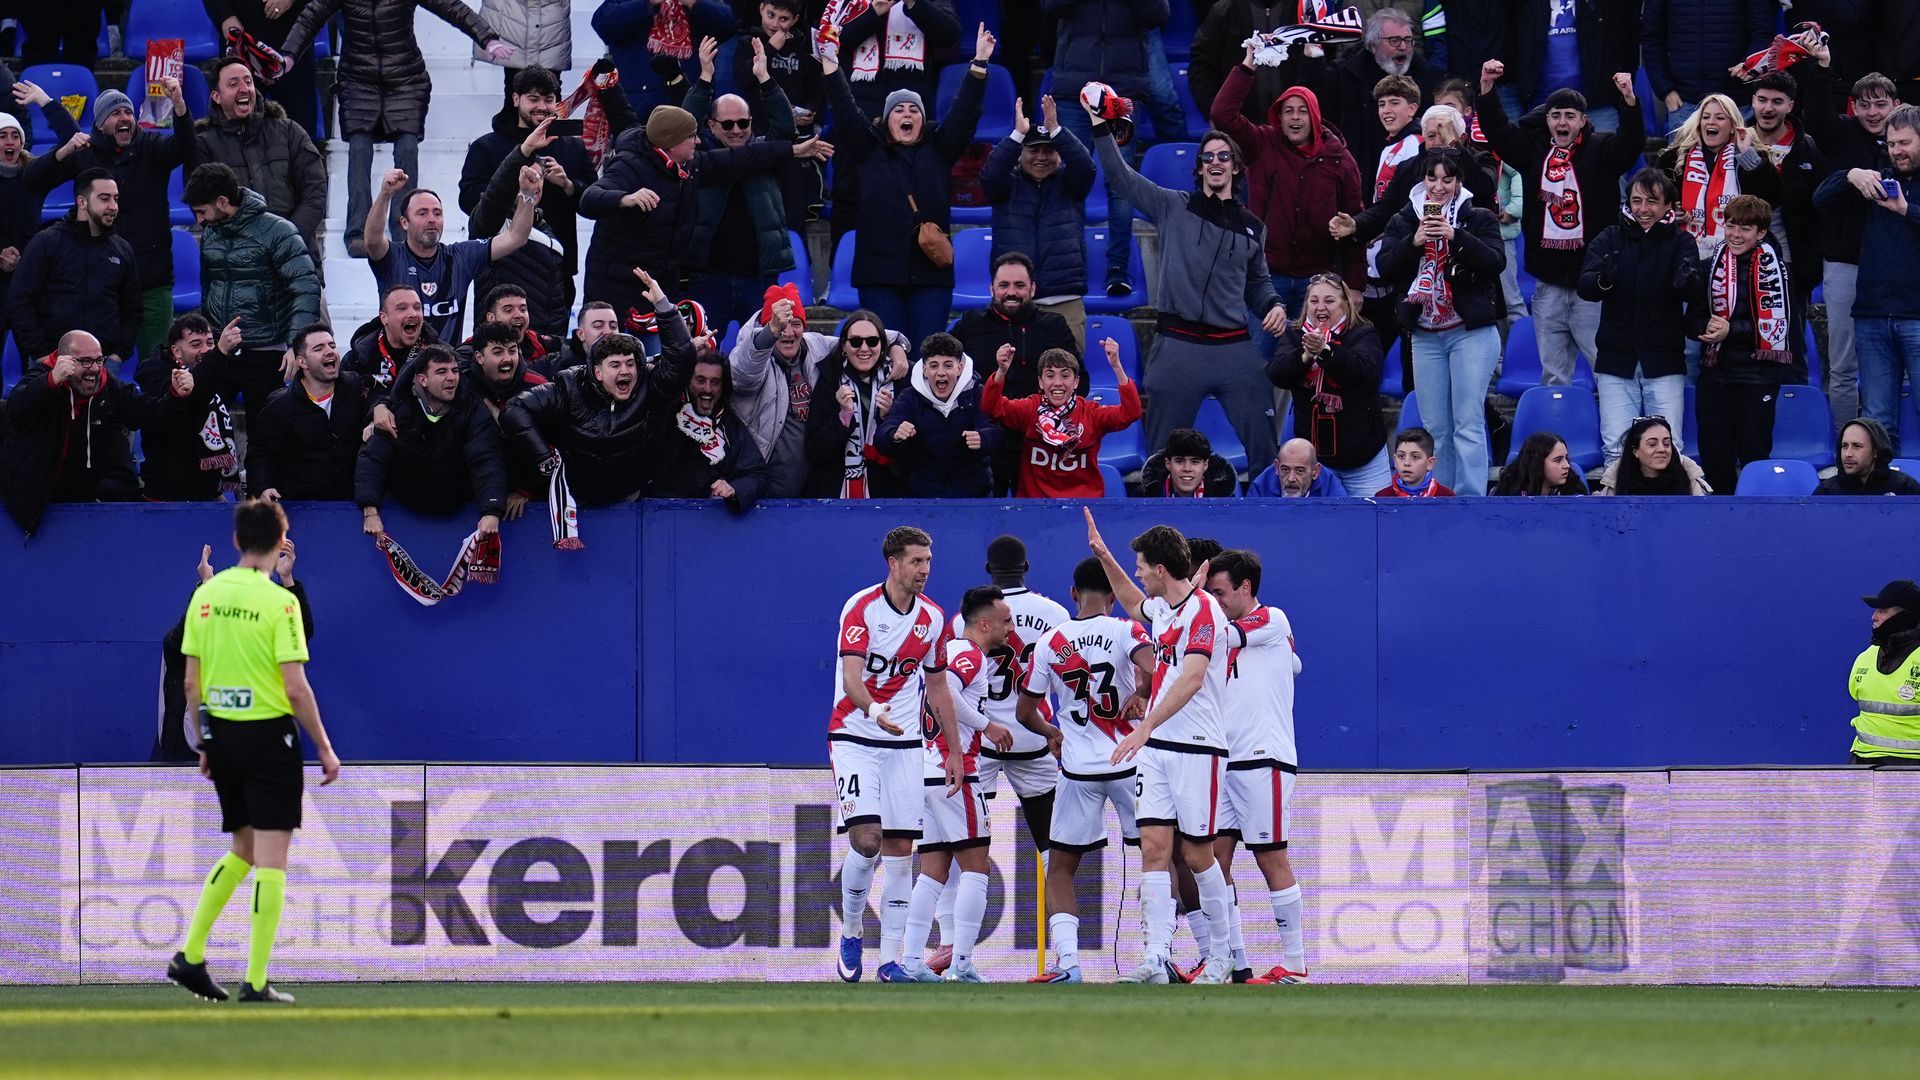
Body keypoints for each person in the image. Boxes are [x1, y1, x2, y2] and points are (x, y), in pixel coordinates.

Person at [165, 498, 340, 1005]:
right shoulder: (278, 602)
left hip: (221, 734)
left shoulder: (207, 595)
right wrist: (325, 748)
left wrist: (205, 743)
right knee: (271, 860)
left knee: (243, 847)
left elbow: (192, 682)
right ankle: (256, 981)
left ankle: (191, 956)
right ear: (279, 540)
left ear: (238, 541)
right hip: (267, 737)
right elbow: (296, 688)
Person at [1081, 512, 1238, 985]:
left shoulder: (1204, 611)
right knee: (1153, 847)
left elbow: (1191, 678)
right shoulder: (1164, 609)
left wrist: (1144, 727)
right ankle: (1154, 957)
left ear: (1162, 570)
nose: (1140, 573)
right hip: (1157, 748)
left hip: (1195, 746)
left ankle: (1221, 954)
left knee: (1196, 853)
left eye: (1142, 565)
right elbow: (1132, 602)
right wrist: (1104, 556)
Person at [1092, 116, 1288, 472]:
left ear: (1237, 167)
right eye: (1208, 157)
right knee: (1159, 457)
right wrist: (1100, 128)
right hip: (1178, 347)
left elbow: (1257, 283)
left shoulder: (1252, 226)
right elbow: (1121, 177)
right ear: (1199, 168)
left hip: (1234, 348)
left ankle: (1268, 516)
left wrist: (1273, 303)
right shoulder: (1172, 205)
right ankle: (1155, 525)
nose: (1215, 162)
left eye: (1224, 156)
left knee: (1264, 450)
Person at [830, 525, 963, 982]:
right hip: (855, 735)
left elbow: (940, 686)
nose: (924, 569)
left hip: (906, 744)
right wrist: (874, 709)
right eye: (916, 561)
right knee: (866, 841)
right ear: (893, 563)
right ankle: (850, 930)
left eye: (928, 561)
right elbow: (851, 678)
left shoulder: (934, 618)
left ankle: (889, 961)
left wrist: (955, 751)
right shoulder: (861, 608)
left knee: (901, 850)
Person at [280, 0, 515, 259]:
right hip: (358, 77)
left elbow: (453, 9)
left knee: (407, 145)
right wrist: (289, 54)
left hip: (405, 77)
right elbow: (310, 17)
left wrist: (488, 39)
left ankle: (403, 229)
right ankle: (358, 232)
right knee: (359, 146)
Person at [1021, 556, 1154, 984]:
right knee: (1158, 857)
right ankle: (1159, 955)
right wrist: (1144, 692)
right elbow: (1161, 666)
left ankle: (1070, 964)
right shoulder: (1126, 630)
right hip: (1129, 761)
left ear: (1073, 594)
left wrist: (1051, 733)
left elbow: (1026, 711)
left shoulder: (1050, 643)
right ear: (1114, 596)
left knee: (1060, 867)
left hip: (1078, 769)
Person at [822, 22, 992, 354]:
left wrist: (979, 65)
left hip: (931, 278)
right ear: (886, 120)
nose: (907, 113)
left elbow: (964, 113)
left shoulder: (940, 149)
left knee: (927, 356)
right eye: (898, 109)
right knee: (885, 358)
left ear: (923, 120)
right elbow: (845, 108)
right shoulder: (868, 148)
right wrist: (830, 67)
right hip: (879, 277)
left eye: (914, 110)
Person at [1476, 61, 1644, 388]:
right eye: (1556, 115)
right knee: (1553, 376)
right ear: (1547, 120)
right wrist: (1486, 87)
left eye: (1570, 115)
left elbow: (1631, 143)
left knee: (1608, 373)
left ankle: (1624, 435)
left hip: (1592, 285)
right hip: (1549, 284)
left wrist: (1629, 101)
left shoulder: (1602, 149)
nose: (1562, 122)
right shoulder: (1532, 152)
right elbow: (1498, 132)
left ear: (1583, 121)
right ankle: (1559, 435)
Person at [882, 584, 1013, 984]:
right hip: (955, 771)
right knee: (976, 869)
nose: (1010, 629)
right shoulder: (968, 654)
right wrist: (986, 724)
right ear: (984, 623)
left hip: (925, 771)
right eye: (1005, 621)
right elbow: (948, 697)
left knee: (933, 871)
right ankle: (962, 962)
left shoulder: (947, 652)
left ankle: (912, 961)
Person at [578, 102, 798, 331]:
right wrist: (625, 199)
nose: (698, 141)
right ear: (672, 142)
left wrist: (791, 150)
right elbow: (589, 198)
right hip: (617, 289)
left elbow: (737, 159)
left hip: (658, 286)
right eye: (691, 136)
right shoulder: (628, 166)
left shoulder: (689, 166)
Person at [32, 78, 197, 362]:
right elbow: (35, 177)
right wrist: (54, 125)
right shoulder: (85, 155)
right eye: (115, 113)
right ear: (99, 125)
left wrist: (179, 105)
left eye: (129, 112)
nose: (125, 118)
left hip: (152, 281)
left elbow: (185, 146)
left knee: (156, 368)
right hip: (101, 287)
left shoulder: (152, 148)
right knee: (96, 371)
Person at [1202, 549, 1309, 985]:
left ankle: (1296, 963)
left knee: (1271, 858)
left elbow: (1218, 637)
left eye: (1220, 592)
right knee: (1213, 861)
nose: (1215, 599)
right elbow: (1293, 665)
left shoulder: (1273, 620)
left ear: (1246, 588)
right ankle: (1234, 960)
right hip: (1224, 759)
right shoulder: (1260, 640)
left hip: (1264, 758)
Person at [501, 270, 693, 506]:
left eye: (630, 364)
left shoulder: (648, 380)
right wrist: (544, 458)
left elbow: (682, 359)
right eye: (615, 365)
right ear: (597, 372)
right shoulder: (569, 383)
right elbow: (514, 410)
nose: (625, 371)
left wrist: (664, 307)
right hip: (574, 501)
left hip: (631, 499)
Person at [1379, 149, 1506, 496]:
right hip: (1425, 334)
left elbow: (1496, 262)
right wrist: (1414, 242)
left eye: (1446, 179)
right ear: (1422, 179)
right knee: (1436, 428)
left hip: (1470, 332)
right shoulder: (1404, 219)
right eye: (1431, 178)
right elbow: (1385, 265)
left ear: (1459, 181)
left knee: (1467, 422)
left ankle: (1470, 500)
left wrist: (1456, 236)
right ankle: (1442, 499)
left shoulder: (1477, 216)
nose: (1438, 187)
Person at [683, 36, 820, 333]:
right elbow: (685, 126)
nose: (736, 130)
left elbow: (785, 128)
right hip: (708, 277)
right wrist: (705, 78)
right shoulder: (701, 155)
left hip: (758, 278)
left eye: (743, 123)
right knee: (703, 355)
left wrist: (765, 79)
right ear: (711, 126)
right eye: (728, 124)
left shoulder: (765, 152)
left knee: (760, 356)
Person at [1210, 66, 1366, 318]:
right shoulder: (1261, 143)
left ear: (1314, 116)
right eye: (1288, 111)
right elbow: (1222, 114)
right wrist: (1246, 69)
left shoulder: (1340, 160)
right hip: (1266, 277)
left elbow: (1355, 225)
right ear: (1279, 118)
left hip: (1318, 284)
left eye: (1303, 111)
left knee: (1311, 356)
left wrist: (1357, 284)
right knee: (1262, 357)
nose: (1295, 117)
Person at [1044, 0, 1173, 297]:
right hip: (1073, 92)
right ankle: (1067, 267)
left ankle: (1118, 269)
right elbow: (1051, 6)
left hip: (1121, 92)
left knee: (1120, 183)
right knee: (1067, 179)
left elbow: (1158, 14)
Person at [1, 330, 188, 535]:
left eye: (99, 360)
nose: (95, 369)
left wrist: (174, 397)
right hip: (35, 499)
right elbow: (15, 409)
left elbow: (143, 412)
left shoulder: (107, 384)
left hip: (83, 499)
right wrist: (51, 381)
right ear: (65, 361)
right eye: (86, 362)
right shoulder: (41, 376)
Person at [458, 68, 601, 335]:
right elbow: (467, 198)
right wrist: (516, 192)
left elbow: (593, 202)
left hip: (555, 269)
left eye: (548, 99)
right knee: (496, 348)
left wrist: (567, 184)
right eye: (533, 99)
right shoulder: (486, 147)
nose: (542, 107)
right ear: (516, 99)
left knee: (551, 352)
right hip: (500, 268)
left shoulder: (571, 147)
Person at [1578, 168, 1706, 465]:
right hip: (1615, 359)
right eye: (1637, 201)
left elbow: (1694, 290)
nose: (1643, 209)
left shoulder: (1681, 241)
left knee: (1668, 446)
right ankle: (1616, 510)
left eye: (1652, 201)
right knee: (1615, 448)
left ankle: (1670, 509)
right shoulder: (1610, 237)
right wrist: (1603, 279)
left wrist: (1686, 282)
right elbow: (1586, 286)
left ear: (1668, 206)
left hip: (1662, 359)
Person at [1800, 37, 1896, 428]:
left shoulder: (1909, 140)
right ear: (1853, 107)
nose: (1873, 112)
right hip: (1843, 263)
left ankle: (1890, 446)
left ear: (1896, 105)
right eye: (1865, 105)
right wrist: (1822, 67)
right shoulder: (1840, 133)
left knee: (1895, 361)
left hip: (1894, 267)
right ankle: (1847, 445)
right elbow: (1816, 112)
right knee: (1842, 365)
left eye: (1881, 104)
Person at [1813, 104, 1920, 453]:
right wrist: (1849, 175)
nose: (1897, 151)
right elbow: (1820, 200)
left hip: (1917, 317)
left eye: (1904, 143)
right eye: (1891, 144)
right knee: (1877, 422)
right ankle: (1884, 500)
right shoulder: (1877, 181)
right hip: (1873, 315)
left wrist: (1907, 210)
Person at [731, 286, 908, 496]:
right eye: (780, 327)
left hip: (806, 482)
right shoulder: (751, 355)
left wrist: (896, 345)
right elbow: (742, 377)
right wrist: (770, 331)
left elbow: (861, 337)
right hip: (761, 479)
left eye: (795, 324)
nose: (788, 333)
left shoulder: (815, 345)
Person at [187, 163, 324, 430]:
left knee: (265, 439)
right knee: (201, 429)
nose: (199, 221)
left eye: (202, 212)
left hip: (266, 353)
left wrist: (296, 344)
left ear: (223, 202)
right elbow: (208, 289)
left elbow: (305, 286)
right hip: (222, 351)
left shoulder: (279, 231)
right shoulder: (211, 234)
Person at [154, 539, 311, 763]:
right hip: (184, 761)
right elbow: (181, 636)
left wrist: (287, 580)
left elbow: (301, 635)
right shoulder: (182, 650)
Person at [1694, 194, 1806, 493]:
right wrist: (1704, 326)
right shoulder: (1711, 263)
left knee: (1754, 456)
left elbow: (1784, 326)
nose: (1735, 234)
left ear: (1761, 233)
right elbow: (1693, 314)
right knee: (1714, 459)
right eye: (1730, 226)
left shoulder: (1777, 270)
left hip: (1758, 377)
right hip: (1714, 373)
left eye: (1744, 228)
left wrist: (1732, 330)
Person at [364, 165, 542, 345]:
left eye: (437, 213)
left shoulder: (460, 257)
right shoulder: (393, 257)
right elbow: (372, 241)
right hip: (399, 367)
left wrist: (526, 194)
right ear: (404, 223)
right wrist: (385, 194)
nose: (432, 218)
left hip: (447, 368)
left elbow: (516, 237)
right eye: (422, 213)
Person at [952, 253, 1081, 495]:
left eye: (1019, 285)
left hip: (1038, 438)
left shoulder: (1053, 325)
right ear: (991, 288)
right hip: (984, 437)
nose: (1011, 292)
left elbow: (1078, 380)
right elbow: (938, 362)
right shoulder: (971, 324)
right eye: (1004, 285)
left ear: (1033, 288)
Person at [355, 344, 508, 537]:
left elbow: (486, 458)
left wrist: (491, 510)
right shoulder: (395, 410)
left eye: (454, 371)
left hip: (459, 514)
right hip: (401, 515)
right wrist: (370, 509)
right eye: (441, 372)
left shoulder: (472, 409)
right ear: (423, 379)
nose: (451, 378)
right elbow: (373, 459)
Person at [195, 57, 328, 271]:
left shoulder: (289, 131)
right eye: (233, 84)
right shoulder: (204, 144)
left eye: (248, 81)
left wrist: (287, 238)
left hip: (296, 258)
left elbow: (315, 191)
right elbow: (205, 206)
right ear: (216, 97)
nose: (244, 88)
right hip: (238, 267)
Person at [982, 99, 1096, 343]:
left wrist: (1056, 129)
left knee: (1067, 377)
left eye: (1049, 150)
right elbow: (989, 175)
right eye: (1033, 150)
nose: (1041, 157)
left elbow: (1086, 167)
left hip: (1064, 301)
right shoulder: (1006, 185)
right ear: (1020, 153)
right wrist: (1017, 135)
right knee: (1011, 377)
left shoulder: (1071, 184)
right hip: (1014, 301)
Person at [1285, 7, 1441, 183]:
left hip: (1413, 180)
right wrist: (1312, 59)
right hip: (1357, 177)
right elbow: (1312, 99)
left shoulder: (1425, 77)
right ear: (1373, 45)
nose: (1403, 47)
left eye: (1408, 40)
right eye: (1395, 41)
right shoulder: (1346, 73)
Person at [1268, 272, 1391, 494]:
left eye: (1329, 301)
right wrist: (1305, 356)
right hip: (1314, 464)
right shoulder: (1296, 335)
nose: (1320, 307)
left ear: (1345, 305)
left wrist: (1326, 352)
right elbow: (1277, 374)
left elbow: (1365, 371)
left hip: (1364, 459)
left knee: (1374, 525)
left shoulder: (1364, 334)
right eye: (1314, 301)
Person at [4, 168, 141, 364]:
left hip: (104, 365)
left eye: (116, 199)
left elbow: (133, 309)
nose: (113, 206)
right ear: (82, 202)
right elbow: (20, 301)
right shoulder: (46, 242)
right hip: (51, 363)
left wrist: (118, 355)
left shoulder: (122, 250)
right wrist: (42, 354)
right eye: (104, 199)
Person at [979, 341, 1142, 499]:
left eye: (1065, 375)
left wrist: (1116, 367)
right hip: (1035, 506)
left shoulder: (1091, 413)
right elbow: (990, 406)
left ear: (1076, 382)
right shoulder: (1030, 408)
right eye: (1050, 376)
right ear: (1041, 382)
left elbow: (1131, 413)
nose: (1058, 383)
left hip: (1084, 505)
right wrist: (1001, 370)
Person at [247, 325, 374, 502]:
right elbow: (259, 453)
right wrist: (263, 486)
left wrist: (377, 413)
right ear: (302, 362)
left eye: (332, 345)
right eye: (319, 348)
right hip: (301, 510)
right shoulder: (280, 404)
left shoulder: (358, 387)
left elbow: (384, 399)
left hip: (352, 507)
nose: (330, 351)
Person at [642, 342, 768, 510]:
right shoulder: (665, 411)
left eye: (715, 382)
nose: (707, 389)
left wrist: (734, 489)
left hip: (708, 524)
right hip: (657, 515)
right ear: (687, 381)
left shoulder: (729, 424)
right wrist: (685, 351)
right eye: (700, 380)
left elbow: (756, 473)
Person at [875, 332, 1001, 498]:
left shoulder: (978, 393)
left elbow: (996, 431)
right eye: (934, 366)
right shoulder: (909, 397)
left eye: (948, 365)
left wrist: (983, 438)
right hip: (921, 498)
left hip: (974, 496)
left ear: (960, 368)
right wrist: (894, 435)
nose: (941, 373)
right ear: (924, 370)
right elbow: (882, 437)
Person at [135, 314, 244, 501]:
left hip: (209, 490)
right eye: (196, 344)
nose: (206, 350)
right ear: (176, 352)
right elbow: (195, 395)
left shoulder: (215, 366)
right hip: (167, 492)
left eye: (210, 342)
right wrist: (219, 353)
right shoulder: (156, 373)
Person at [803, 309, 910, 498]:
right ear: (843, 346)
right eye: (855, 342)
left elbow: (915, 452)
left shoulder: (902, 378)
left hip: (890, 493)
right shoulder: (828, 379)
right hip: (835, 493)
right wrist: (843, 419)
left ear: (883, 345)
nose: (864, 348)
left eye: (872, 341)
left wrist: (890, 419)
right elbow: (815, 451)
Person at [1748, 72, 1827, 319]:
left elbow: (1822, 209)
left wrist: (1810, 265)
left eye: (1777, 101)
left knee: (1792, 349)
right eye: (1762, 100)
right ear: (1752, 101)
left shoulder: (1808, 148)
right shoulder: (1736, 143)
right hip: (1741, 263)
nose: (1768, 108)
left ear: (1790, 105)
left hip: (1793, 267)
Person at [591, 0, 738, 121]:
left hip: (690, 96)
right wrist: (646, 3)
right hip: (639, 99)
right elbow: (604, 26)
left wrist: (695, 3)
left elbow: (729, 25)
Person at [1641, 0, 1776, 128]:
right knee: (1684, 153)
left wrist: (1749, 63)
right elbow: (1652, 38)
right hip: (1684, 102)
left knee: (1741, 152)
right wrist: (1665, 89)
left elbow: (1762, 32)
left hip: (1737, 101)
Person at [205, 0, 325, 137]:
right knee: (234, 131)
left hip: (293, 39)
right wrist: (225, 17)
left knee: (300, 128)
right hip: (240, 39)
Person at [1847, 579, 1920, 763]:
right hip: (1863, 765)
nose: (1874, 617)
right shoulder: (1866, 656)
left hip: (1912, 770)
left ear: (1905, 615)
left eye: (1883, 610)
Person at [346, 285, 435, 395]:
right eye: (402, 308)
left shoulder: (439, 354)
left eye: (417, 308)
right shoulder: (359, 357)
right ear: (384, 318)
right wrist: (376, 405)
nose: (413, 314)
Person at [1596, 414, 1711, 494]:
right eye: (1652, 444)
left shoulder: (1688, 475)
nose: (1662, 449)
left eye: (1667, 443)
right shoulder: (1617, 479)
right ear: (1635, 451)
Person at [461, 320, 551, 421]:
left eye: (512, 351)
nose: (508, 359)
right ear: (479, 358)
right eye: (498, 353)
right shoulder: (464, 388)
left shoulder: (539, 387)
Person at [1815, 418, 1920, 495]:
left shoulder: (1905, 488)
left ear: (1876, 451)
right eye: (1844, 446)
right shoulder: (1826, 492)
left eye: (1857, 446)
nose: (1848, 454)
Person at [1139, 428, 1240, 498]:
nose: (1187, 468)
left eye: (1195, 462)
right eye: (1179, 461)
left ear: (1205, 465)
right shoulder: (1142, 496)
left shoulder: (1224, 500)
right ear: (1168, 464)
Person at [1248, 438, 1352, 497]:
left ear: (1315, 471)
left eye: (1299, 471)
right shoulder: (1260, 488)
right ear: (1277, 467)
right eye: (1285, 470)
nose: (1291, 479)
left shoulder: (1329, 486)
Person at [1494, 430, 1589, 495]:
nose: (1567, 465)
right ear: (1537, 463)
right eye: (1558, 460)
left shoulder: (1575, 490)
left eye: (1566, 458)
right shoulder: (1508, 489)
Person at [1376, 426, 1454, 496]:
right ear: (1395, 461)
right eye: (1401, 456)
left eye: (1415, 457)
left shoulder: (1447, 496)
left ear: (1429, 463)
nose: (1406, 463)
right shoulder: (1383, 497)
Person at [561, 301, 623, 373]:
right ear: (581, 334)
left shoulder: (632, 363)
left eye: (613, 326)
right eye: (598, 326)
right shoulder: (554, 367)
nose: (608, 332)